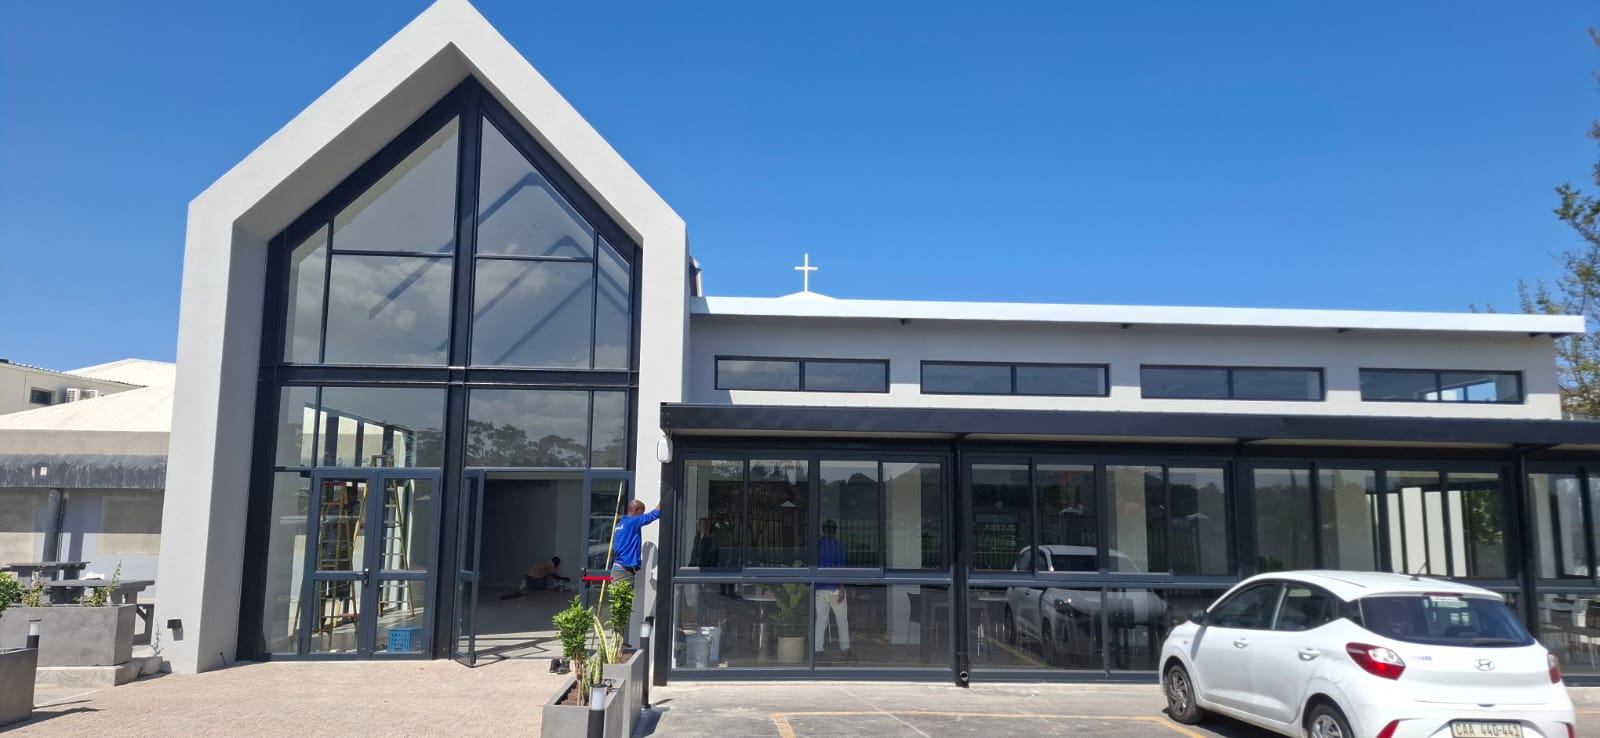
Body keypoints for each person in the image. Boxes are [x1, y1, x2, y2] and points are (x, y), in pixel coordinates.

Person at [815, 519, 852, 660]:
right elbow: (841, 568)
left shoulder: (817, 545)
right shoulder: (838, 545)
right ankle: (845, 651)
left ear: (823, 530)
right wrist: (842, 587)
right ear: (835, 530)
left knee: (821, 621)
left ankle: (817, 652)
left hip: (818, 587)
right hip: (835, 588)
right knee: (842, 620)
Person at [611, 500, 661, 585]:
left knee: (619, 597)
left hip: (618, 568)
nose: (642, 515)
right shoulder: (632, 522)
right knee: (624, 597)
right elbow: (653, 515)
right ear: (636, 510)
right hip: (624, 570)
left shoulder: (621, 524)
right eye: (642, 513)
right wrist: (664, 499)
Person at [498, 557, 570, 600]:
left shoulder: (547, 562)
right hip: (532, 577)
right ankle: (526, 584)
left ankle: (527, 583)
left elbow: (546, 575)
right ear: (556, 562)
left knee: (543, 583)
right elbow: (555, 576)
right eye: (558, 563)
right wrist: (565, 578)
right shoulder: (551, 565)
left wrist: (547, 587)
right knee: (538, 589)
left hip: (529, 574)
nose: (558, 565)